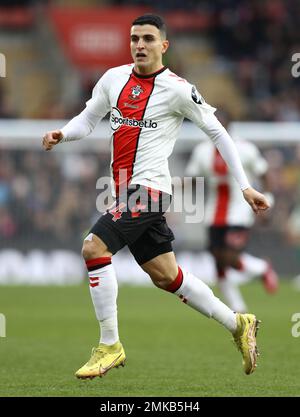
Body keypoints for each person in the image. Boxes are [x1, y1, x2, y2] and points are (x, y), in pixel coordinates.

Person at [42, 14, 269, 379]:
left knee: (93, 247)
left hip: (150, 190)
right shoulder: (112, 79)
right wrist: (62, 134)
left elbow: (219, 133)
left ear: (164, 45)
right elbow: (87, 119)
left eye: (148, 38)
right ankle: (238, 323)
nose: (140, 45)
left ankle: (109, 345)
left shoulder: (178, 89)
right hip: (123, 189)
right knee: (166, 276)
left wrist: (244, 185)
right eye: (134, 39)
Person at [185, 111, 278, 312]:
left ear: (228, 126)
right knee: (218, 259)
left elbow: (265, 175)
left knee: (229, 256)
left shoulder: (245, 149)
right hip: (213, 212)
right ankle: (238, 309)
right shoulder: (202, 151)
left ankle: (262, 268)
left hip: (239, 211)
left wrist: (267, 201)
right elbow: (193, 178)